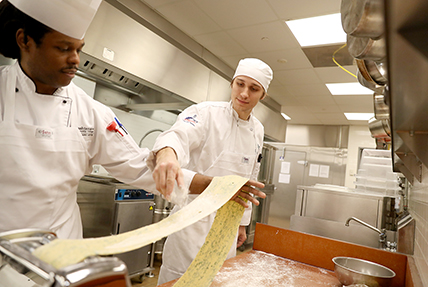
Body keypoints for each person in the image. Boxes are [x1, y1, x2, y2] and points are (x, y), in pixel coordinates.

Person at [0, 0, 261, 240]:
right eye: (63, 48)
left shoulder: (90, 112)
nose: (75, 60)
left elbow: (140, 167)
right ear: (25, 40)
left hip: (59, 250)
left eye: (79, 49)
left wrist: (218, 186)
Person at [156, 58, 273, 285]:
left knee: (217, 279)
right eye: (240, 84)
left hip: (226, 226)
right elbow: (177, 136)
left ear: (262, 95)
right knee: (181, 280)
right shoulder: (206, 113)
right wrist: (168, 153)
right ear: (232, 84)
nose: (244, 93)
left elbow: (250, 177)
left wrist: (242, 223)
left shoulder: (258, 130)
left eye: (254, 88)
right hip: (191, 222)